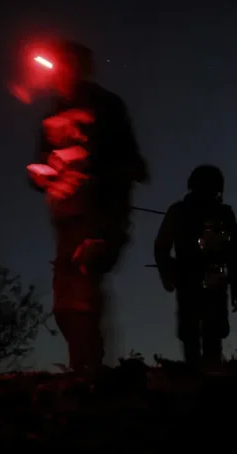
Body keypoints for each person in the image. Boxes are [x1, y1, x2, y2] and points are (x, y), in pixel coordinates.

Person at [27, 39, 149, 372]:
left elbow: (131, 163)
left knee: (84, 291)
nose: (59, 73)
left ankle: (89, 372)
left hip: (98, 211)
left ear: (80, 68)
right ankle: (84, 370)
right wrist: (41, 173)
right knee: (65, 303)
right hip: (65, 215)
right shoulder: (52, 115)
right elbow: (42, 161)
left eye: (66, 64)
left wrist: (95, 173)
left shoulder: (106, 106)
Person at [154, 165, 237, 369]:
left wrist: (236, 287)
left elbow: (233, 253)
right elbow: (161, 247)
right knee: (190, 333)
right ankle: (196, 372)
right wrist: (168, 274)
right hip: (188, 278)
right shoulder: (179, 211)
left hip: (214, 280)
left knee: (213, 333)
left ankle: (209, 372)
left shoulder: (224, 214)